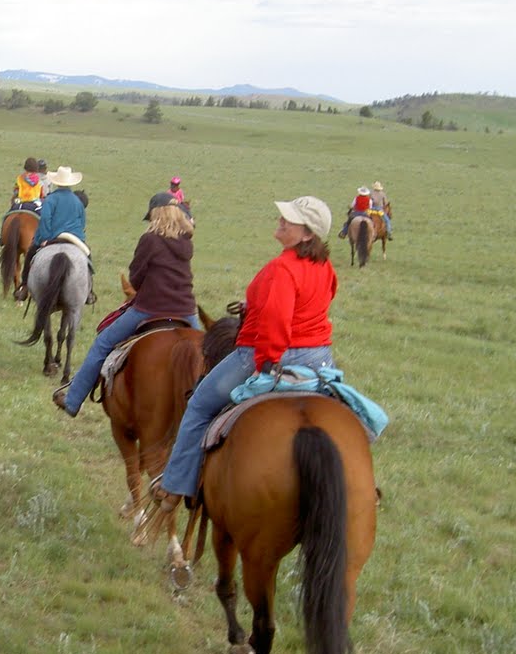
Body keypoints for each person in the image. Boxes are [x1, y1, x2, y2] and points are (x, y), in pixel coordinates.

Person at [153, 195, 337, 515]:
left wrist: (267, 363)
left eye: (290, 219)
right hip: (320, 359)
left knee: (198, 406)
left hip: (267, 353)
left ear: (307, 234)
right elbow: (311, 304)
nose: (281, 219)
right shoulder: (324, 266)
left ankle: (175, 484)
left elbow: (277, 322)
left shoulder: (282, 268)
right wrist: (255, 305)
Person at [54, 194, 199, 416]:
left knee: (102, 344)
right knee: (206, 356)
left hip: (150, 308)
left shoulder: (149, 240)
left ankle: (73, 400)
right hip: (186, 311)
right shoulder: (186, 241)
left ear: (155, 215)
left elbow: (136, 278)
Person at [17, 165, 88, 301]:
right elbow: (82, 223)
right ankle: (89, 291)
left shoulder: (50, 199)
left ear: (56, 182)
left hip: (52, 237)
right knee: (87, 256)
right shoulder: (77, 201)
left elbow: (45, 219)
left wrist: (43, 239)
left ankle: (24, 286)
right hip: (74, 238)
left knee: (31, 253)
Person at [0, 156, 46, 243]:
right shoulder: (38, 179)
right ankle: (44, 238)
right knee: (43, 219)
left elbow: (16, 191)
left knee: (7, 216)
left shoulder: (20, 178)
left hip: (20, 203)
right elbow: (41, 194)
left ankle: (1, 237)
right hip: (34, 203)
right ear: (36, 168)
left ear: (25, 167)